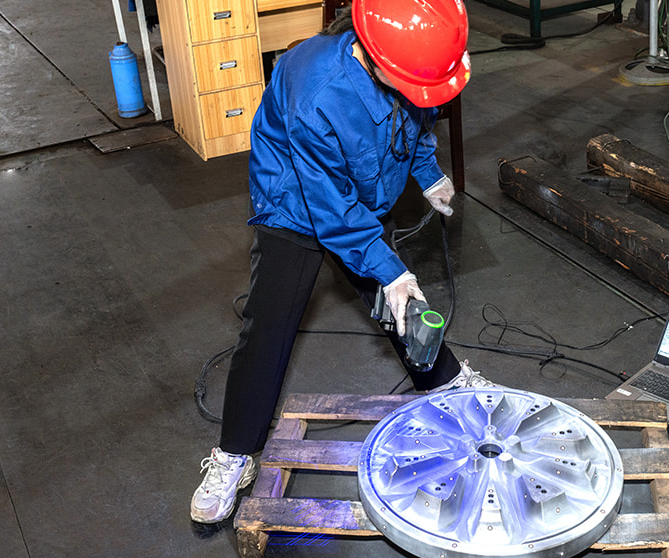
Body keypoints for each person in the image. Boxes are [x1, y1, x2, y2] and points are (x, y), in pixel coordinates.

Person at [190, 0, 494, 525]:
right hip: (295, 201)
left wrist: (427, 174)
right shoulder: (316, 90)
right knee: (269, 324)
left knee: (396, 297)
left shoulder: (407, 62)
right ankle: (234, 453)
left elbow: (417, 118)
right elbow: (331, 208)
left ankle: (446, 382)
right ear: (374, 57)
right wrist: (389, 268)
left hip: (366, 186)